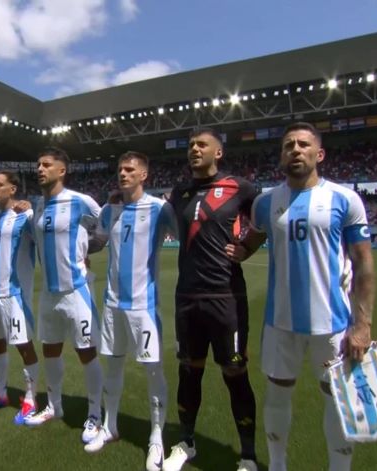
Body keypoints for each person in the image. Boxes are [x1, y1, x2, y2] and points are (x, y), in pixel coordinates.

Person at [229, 122, 376, 471]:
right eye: (288, 145)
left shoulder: (344, 199)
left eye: (303, 144)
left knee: (336, 399)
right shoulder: (265, 203)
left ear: (319, 153)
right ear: (281, 155)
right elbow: (253, 238)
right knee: (278, 392)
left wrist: (363, 325)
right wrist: (237, 249)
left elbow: (364, 263)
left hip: (333, 323)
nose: (295, 149)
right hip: (280, 322)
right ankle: (277, 465)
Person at [163, 128, 259, 471]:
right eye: (190, 145)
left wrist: (249, 247)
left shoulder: (241, 187)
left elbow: (264, 218)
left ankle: (247, 456)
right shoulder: (180, 191)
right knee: (190, 370)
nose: (194, 149)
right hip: (187, 296)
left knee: (235, 371)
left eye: (201, 144)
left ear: (218, 152)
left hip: (225, 295)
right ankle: (186, 442)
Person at [83, 152, 176, 471]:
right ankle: (110, 426)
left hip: (143, 307)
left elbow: (184, 234)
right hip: (112, 304)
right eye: (119, 169)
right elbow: (99, 239)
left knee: (153, 370)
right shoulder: (109, 209)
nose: (122, 174)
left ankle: (156, 437)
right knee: (114, 366)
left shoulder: (160, 209)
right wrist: (81, 251)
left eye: (129, 169)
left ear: (143, 175)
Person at [23, 147, 104, 446]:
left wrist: (88, 251)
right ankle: (54, 406)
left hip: (76, 292)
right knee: (51, 351)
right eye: (38, 165)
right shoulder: (37, 208)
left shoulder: (81, 201)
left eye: (46, 165)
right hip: (48, 294)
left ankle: (95, 414)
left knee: (86, 352)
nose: (40, 169)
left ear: (62, 170)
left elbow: (104, 227)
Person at [0, 171, 41, 425]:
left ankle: (30, 398)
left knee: (24, 346)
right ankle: (0, 392)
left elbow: (45, 240)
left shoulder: (25, 216)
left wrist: (33, 209)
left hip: (15, 294)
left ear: (12, 189)